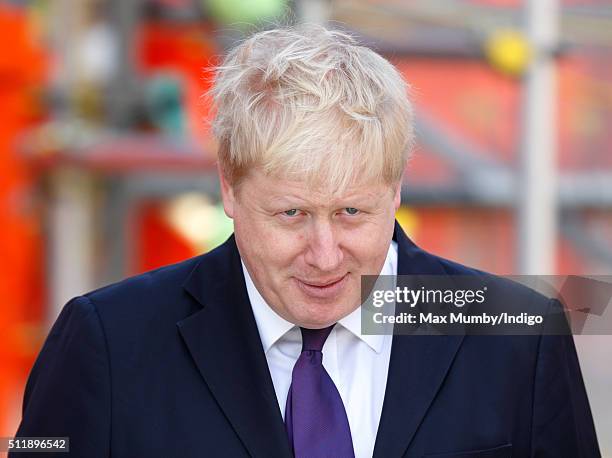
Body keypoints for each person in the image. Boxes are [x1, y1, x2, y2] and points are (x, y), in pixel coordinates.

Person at [13, 25, 599, 458]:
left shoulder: (519, 333)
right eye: (292, 214)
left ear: (395, 190)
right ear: (230, 189)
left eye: (351, 213)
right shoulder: (106, 340)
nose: (324, 255)